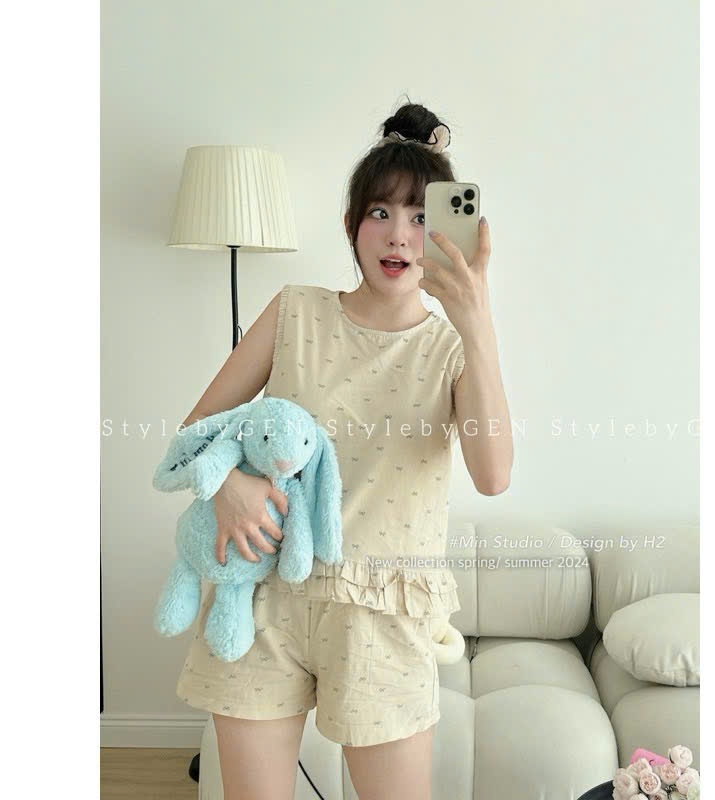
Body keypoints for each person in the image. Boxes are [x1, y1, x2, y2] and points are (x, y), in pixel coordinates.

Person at [174, 99, 513, 800]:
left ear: (445, 233)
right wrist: (229, 484)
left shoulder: (452, 350)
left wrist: (477, 322)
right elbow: (195, 429)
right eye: (380, 212)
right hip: (264, 595)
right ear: (352, 223)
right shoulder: (293, 311)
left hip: (383, 614)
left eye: (420, 216)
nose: (399, 235)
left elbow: (494, 474)